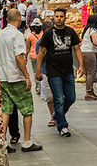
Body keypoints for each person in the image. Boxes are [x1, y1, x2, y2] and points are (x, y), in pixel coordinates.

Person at [0, 9, 42, 152]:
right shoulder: (16, 35)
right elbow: (19, 57)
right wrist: (27, 76)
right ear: (17, 19)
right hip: (16, 77)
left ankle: (2, 142)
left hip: (2, 77)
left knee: (6, 110)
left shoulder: (0, 35)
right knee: (27, 109)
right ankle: (27, 142)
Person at [36, 7, 84, 137]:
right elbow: (41, 53)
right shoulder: (48, 34)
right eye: (56, 16)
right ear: (54, 18)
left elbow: (77, 49)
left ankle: (56, 114)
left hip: (68, 71)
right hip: (53, 72)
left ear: (65, 17)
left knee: (71, 98)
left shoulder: (70, 32)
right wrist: (38, 70)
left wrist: (81, 65)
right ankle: (62, 126)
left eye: (61, 16)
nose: (59, 18)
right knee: (58, 99)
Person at [0, 28, 21, 148]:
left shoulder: (9, 52)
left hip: (8, 80)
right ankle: (2, 136)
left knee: (11, 109)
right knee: (1, 111)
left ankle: (14, 134)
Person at [36, 21, 56, 127]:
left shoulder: (56, 41)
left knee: (59, 96)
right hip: (45, 72)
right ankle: (53, 117)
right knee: (49, 97)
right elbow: (38, 57)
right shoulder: (40, 42)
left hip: (57, 72)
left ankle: (59, 115)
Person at [80, 15, 97, 101]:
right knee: (91, 73)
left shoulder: (86, 29)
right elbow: (95, 42)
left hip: (84, 51)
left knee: (88, 73)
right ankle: (88, 92)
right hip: (89, 52)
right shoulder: (93, 30)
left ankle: (91, 92)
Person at [26, 18, 43, 94]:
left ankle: (38, 87)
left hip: (33, 56)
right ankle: (43, 87)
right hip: (42, 56)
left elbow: (27, 47)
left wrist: (25, 56)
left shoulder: (30, 36)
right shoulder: (44, 34)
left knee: (36, 72)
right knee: (43, 71)